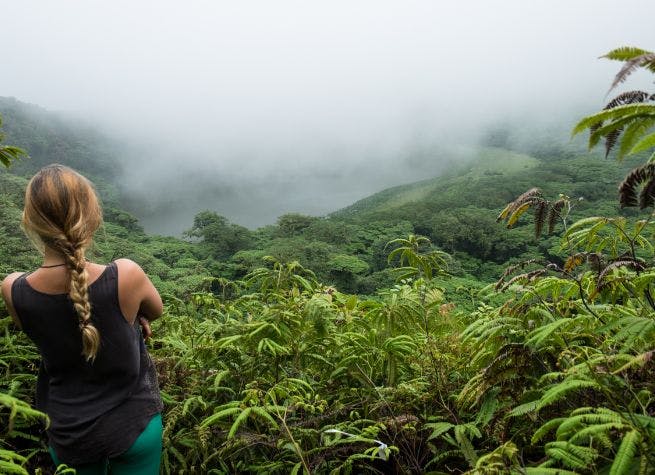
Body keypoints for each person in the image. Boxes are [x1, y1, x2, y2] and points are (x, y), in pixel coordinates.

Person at [0, 164, 164, 474]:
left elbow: (40, 327)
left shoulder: (13, 290)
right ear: (92, 215)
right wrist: (131, 313)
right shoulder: (125, 275)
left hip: (69, 436)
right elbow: (156, 310)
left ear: (30, 221)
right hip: (136, 425)